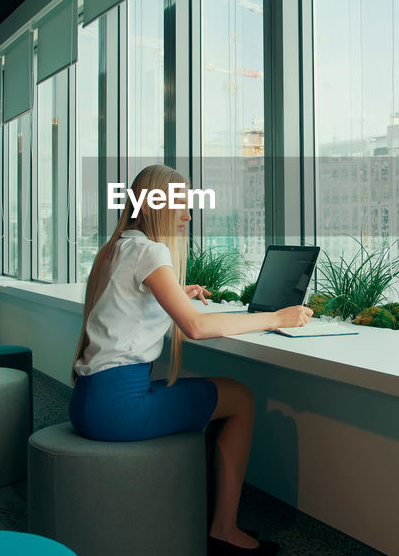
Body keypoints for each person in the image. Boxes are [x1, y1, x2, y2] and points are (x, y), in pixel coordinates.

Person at [71, 164, 310, 556]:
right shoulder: (151, 251)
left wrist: (174, 292)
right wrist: (277, 317)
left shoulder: (119, 246)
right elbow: (196, 327)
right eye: (180, 204)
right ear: (151, 206)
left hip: (88, 401)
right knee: (241, 398)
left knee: (227, 394)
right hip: (117, 409)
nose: (188, 214)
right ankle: (225, 529)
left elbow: (126, 301)